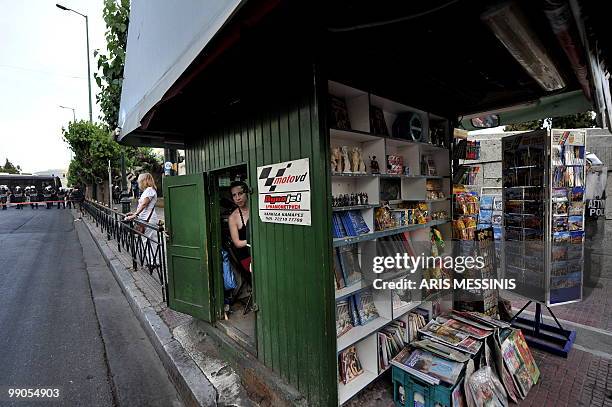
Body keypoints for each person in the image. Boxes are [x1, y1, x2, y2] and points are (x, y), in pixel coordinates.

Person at [124, 173, 159, 267]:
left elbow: (144, 204)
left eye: (140, 181)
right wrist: (135, 213)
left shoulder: (150, 190)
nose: (139, 183)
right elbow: (142, 205)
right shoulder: (148, 190)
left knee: (147, 240)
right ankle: (154, 261)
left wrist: (135, 214)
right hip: (146, 219)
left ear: (144, 181)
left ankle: (152, 262)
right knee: (151, 240)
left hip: (148, 219)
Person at [228, 181, 251, 273]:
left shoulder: (257, 208)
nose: (237, 198)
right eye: (234, 195)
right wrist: (253, 242)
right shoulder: (233, 217)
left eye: (240, 193)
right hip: (246, 256)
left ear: (247, 193)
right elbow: (237, 243)